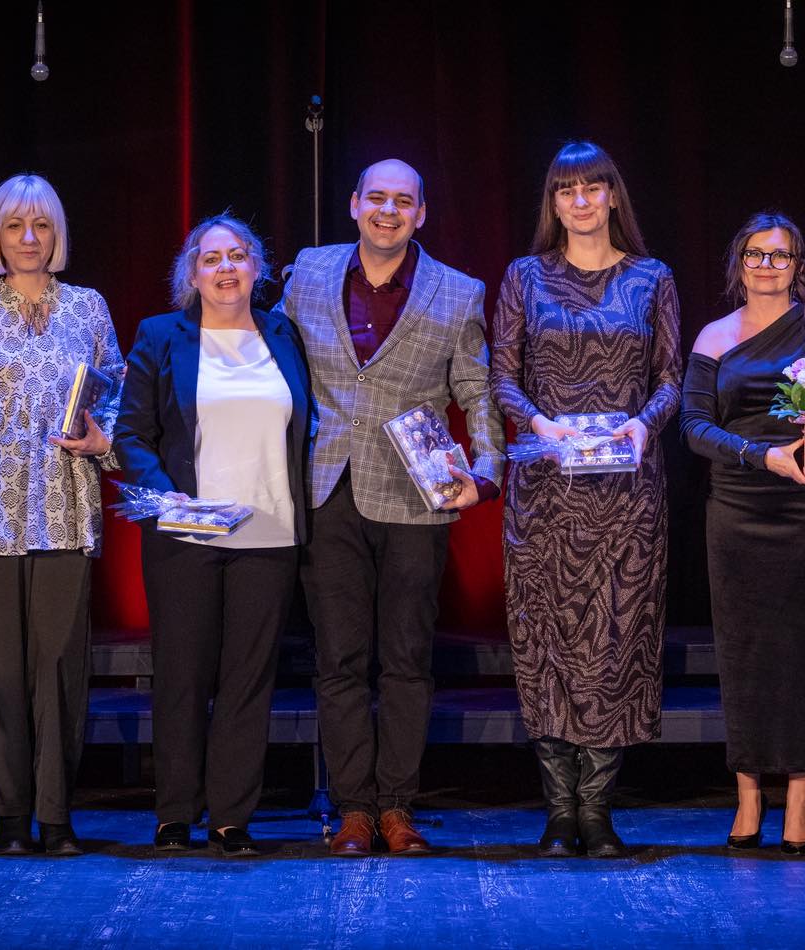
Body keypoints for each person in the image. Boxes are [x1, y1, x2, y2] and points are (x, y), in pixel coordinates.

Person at [277, 158, 505, 856]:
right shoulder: (308, 272)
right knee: (339, 659)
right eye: (376, 197)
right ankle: (353, 810)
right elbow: (268, 362)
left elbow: (476, 390)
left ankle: (397, 808)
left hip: (416, 492)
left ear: (421, 213)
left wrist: (487, 471)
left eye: (403, 201)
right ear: (353, 203)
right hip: (328, 488)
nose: (387, 210)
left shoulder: (457, 291)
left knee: (406, 660)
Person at [490, 141, 681, 858]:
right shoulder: (524, 276)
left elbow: (670, 377)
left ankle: (596, 812)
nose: (580, 200)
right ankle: (557, 813)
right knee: (546, 642)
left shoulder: (652, 277)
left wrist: (644, 423)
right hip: (546, 492)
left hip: (627, 493)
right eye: (565, 189)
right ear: (554, 201)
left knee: (616, 641)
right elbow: (501, 376)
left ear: (612, 196)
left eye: (592, 187)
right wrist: (540, 423)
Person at [0, 173, 124, 857]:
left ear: (56, 232)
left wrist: (104, 442)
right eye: (15, 225)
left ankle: (56, 815)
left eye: (41, 224)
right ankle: (11, 816)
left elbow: (115, 396)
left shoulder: (88, 307)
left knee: (60, 665)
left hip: (64, 505)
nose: (29, 238)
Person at [681, 212, 805, 855]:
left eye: (781, 256)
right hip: (739, 507)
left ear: (799, 266)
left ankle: (799, 799)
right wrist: (759, 455)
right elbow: (693, 426)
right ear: (738, 263)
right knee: (744, 652)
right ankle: (747, 794)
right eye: (756, 255)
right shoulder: (714, 336)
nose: (767, 266)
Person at [114, 215, 312, 856]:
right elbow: (130, 433)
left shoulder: (284, 333)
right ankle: (175, 813)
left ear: (256, 268)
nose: (225, 268)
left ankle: (231, 817)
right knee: (182, 675)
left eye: (237, 256)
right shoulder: (160, 335)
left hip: (270, 531)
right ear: (192, 275)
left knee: (248, 681)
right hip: (185, 532)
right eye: (211, 258)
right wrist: (163, 493)